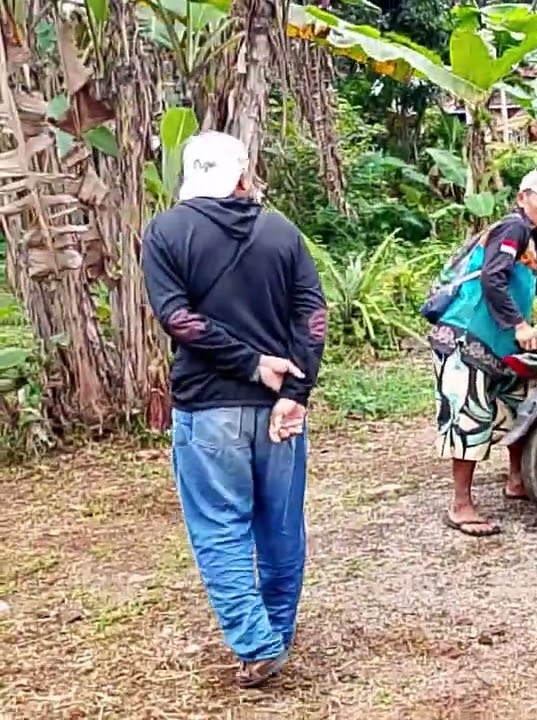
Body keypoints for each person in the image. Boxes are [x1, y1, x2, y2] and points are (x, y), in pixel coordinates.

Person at [141, 131, 327, 688]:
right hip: (278, 413)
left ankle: (255, 643)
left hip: (208, 410)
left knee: (221, 529)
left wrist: (250, 364)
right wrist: (293, 391)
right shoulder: (282, 231)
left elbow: (177, 319)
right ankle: (275, 633)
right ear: (243, 176)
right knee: (281, 526)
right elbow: (313, 318)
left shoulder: (166, 231)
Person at [427, 169, 537, 537]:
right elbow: (493, 277)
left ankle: (518, 481)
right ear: (522, 198)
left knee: (521, 408)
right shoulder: (513, 229)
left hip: (499, 346)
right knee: (470, 416)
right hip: (466, 339)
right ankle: (460, 505)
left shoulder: (532, 238)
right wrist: (520, 326)